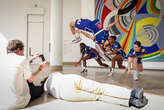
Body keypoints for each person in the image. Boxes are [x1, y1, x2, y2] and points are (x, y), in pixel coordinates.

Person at [44, 72, 148, 109]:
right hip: (69, 80)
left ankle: (132, 102)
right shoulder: (53, 75)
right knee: (100, 88)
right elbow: (58, 73)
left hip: (66, 95)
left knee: (99, 97)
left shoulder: (46, 88)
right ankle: (133, 93)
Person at [1, 40, 47, 110]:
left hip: (3, 101)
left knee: (23, 76)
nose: (23, 53)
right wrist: (40, 68)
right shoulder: (22, 59)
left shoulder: (3, 59)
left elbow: (19, 64)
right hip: (17, 101)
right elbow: (30, 79)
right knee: (39, 88)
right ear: (19, 49)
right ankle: (44, 83)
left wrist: (32, 58)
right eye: (23, 50)